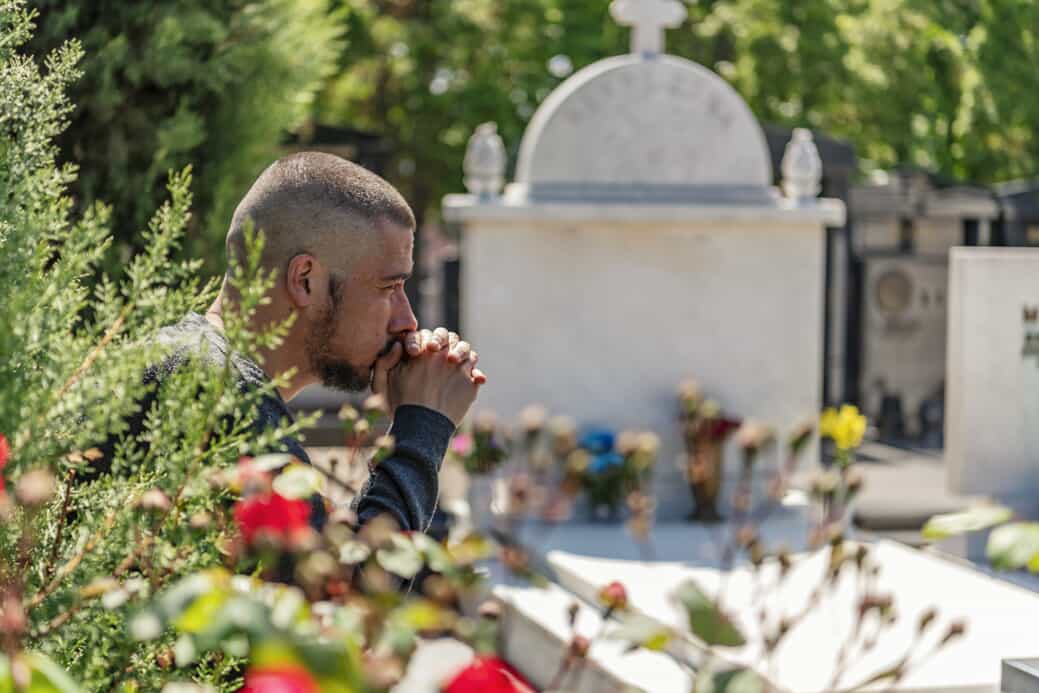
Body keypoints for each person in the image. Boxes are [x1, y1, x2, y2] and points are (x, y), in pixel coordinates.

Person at [106, 151, 484, 534]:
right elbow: (344, 584)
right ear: (306, 279)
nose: (408, 321)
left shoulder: (207, 370)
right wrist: (422, 426)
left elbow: (322, 555)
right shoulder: (218, 389)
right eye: (388, 287)